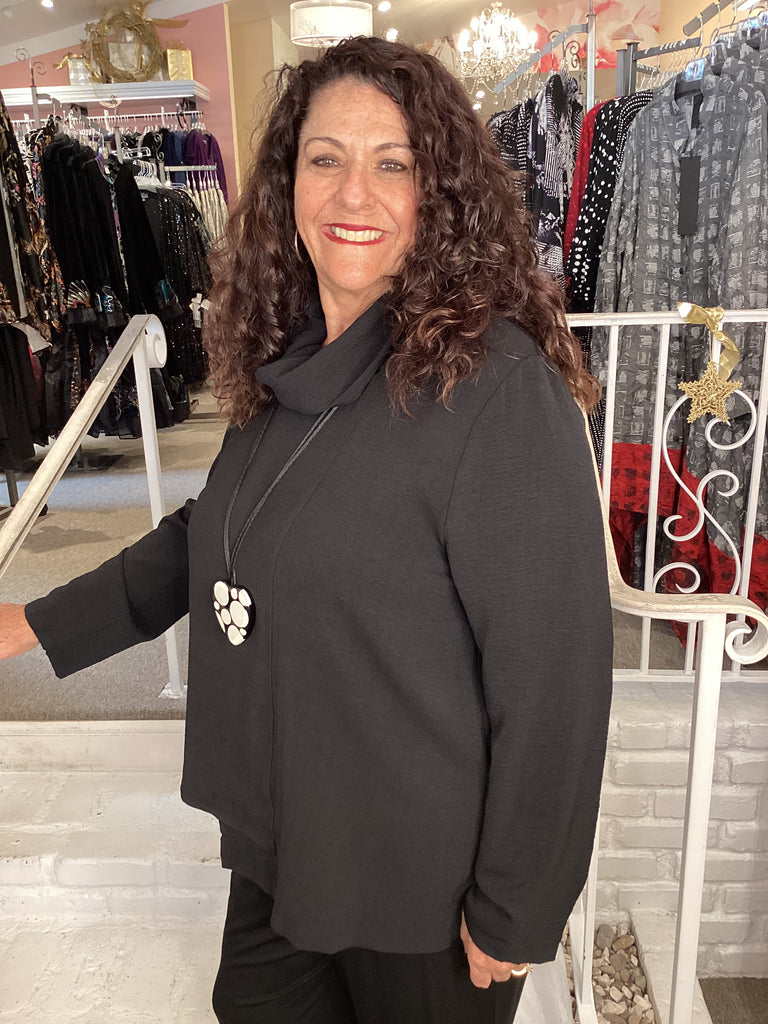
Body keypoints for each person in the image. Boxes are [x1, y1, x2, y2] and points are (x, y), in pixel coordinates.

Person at [0, 37, 613, 1024]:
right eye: (325, 157)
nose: (352, 192)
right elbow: (215, 531)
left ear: (440, 194)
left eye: (392, 162)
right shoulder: (289, 360)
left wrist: (518, 905)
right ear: (289, 183)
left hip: (420, 885)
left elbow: (556, 681)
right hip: (285, 840)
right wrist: (32, 623)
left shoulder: (496, 391)